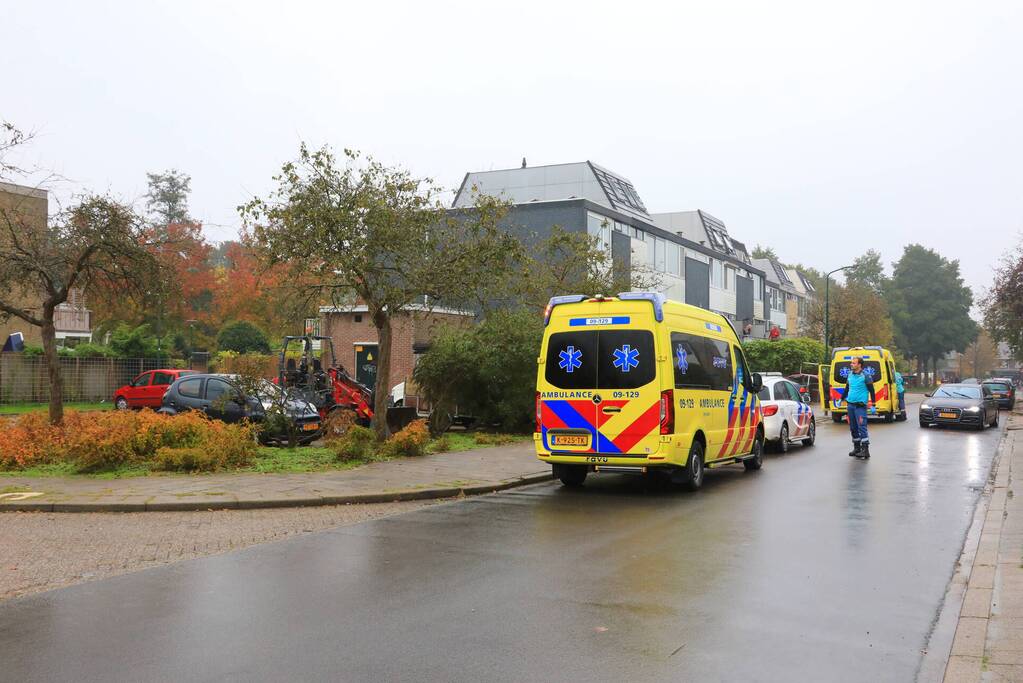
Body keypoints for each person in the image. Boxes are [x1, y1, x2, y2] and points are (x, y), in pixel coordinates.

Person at [840, 357, 875, 459]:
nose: (851, 364)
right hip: (850, 405)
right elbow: (847, 388)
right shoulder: (850, 375)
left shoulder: (866, 376)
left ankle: (865, 450)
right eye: (851, 363)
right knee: (853, 428)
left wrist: (873, 404)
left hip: (860, 406)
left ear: (859, 365)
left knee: (862, 427)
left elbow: (872, 391)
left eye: (854, 363)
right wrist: (841, 399)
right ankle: (857, 448)